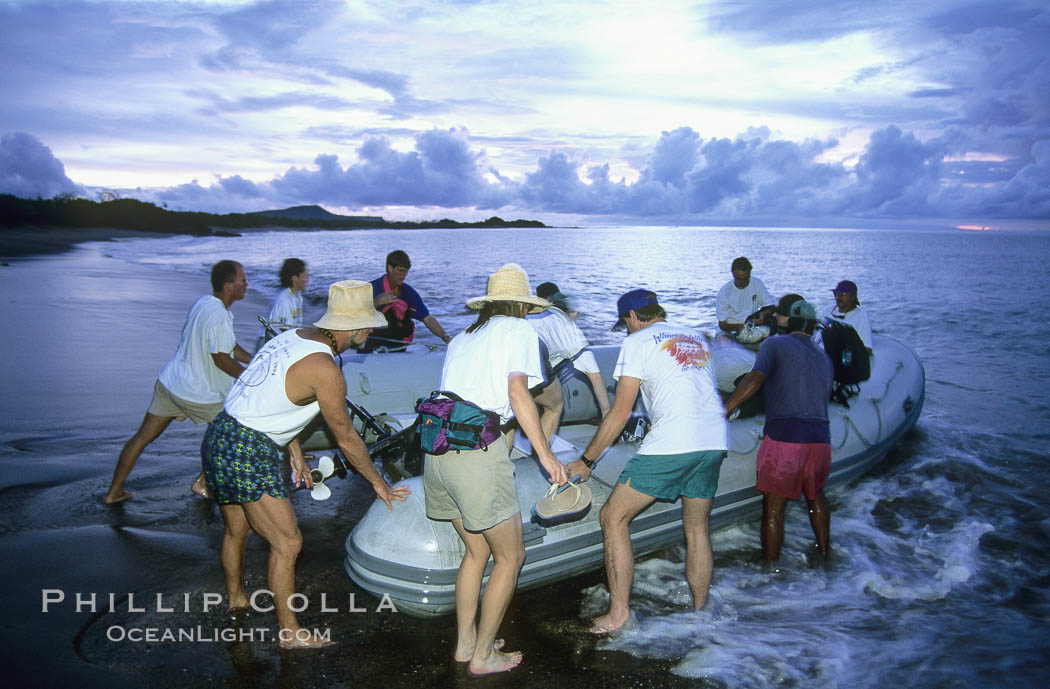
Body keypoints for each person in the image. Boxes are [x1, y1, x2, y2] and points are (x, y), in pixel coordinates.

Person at [202, 280, 410, 648]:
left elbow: (267, 396)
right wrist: (379, 483)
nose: (371, 331)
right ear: (358, 327)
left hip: (220, 434)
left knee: (238, 531)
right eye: (370, 325)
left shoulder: (292, 337)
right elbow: (346, 438)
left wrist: (294, 449)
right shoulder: (327, 370)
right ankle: (289, 633)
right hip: (249, 449)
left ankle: (236, 598)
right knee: (288, 543)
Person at [424, 263, 568, 676]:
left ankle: (467, 642)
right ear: (522, 305)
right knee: (511, 556)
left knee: (476, 551)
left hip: (437, 454)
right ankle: (484, 656)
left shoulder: (463, 338)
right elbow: (516, 393)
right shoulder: (520, 331)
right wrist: (545, 454)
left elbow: (468, 401)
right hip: (477, 460)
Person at [566, 289, 728, 634]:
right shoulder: (696, 337)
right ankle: (701, 609)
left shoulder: (637, 341)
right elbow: (690, 389)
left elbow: (620, 412)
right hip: (714, 439)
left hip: (675, 443)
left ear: (633, 318)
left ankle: (619, 614)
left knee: (613, 517)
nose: (626, 330)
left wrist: (586, 461)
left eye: (625, 323)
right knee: (697, 528)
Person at [104, 260, 252, 504]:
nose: (247, 284)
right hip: (196, 393)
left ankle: (114, 492)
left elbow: (230, 346)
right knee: (233, 432)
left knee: (141, 438)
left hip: (170, 383)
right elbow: (221, 359)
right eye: (242, 280)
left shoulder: (204, 303)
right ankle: (202, 483)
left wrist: (254, 360)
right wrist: (249, 379)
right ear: (228, 286)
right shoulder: (219, 315)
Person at [722, 294, 834, 561]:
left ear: (789, 319)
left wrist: (724, 410)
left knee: (773, 509)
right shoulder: (823, 356)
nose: (777, 318)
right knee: (816, 497)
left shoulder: (774, 344)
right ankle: (825, 553)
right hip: (821, 440)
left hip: (786, 439)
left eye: (780, 315)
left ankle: (771, 569)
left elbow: (754, 380)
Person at [364, 249, 451, 351]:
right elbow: (354, 314)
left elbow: (427, 318)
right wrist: (377, 302)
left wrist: (446, 338)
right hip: (370, 347)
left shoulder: (409, 293)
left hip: (397, 348)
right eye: (400, 271)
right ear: (390, 268)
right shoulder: (371, 288)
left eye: (406, 272)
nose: (403, 276)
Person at [256, 258, 309, 349]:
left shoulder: (298, 296)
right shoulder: (284, 300)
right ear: (295, 279)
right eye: (305, 277)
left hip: (279, 341)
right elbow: (285, 331)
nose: (307, 280)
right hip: (268, 344)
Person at [716, 256, 774, 334]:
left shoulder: (756, 283)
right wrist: (737, 327)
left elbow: (770, 307)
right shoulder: (724, 292)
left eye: (746, 278)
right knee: (724, 342)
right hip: (730, 329)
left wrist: (762, 314)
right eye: (739, 279)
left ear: (750, 273)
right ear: (733, 274)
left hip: (752, 325)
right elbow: (722, 325)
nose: (743, 283)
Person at [822, 280, 872, 355]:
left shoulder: (861, 316)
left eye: (843, 294)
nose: (839, 297)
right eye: (837, 294)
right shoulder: (827, 310)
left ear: (853, 297)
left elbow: (867, 349)